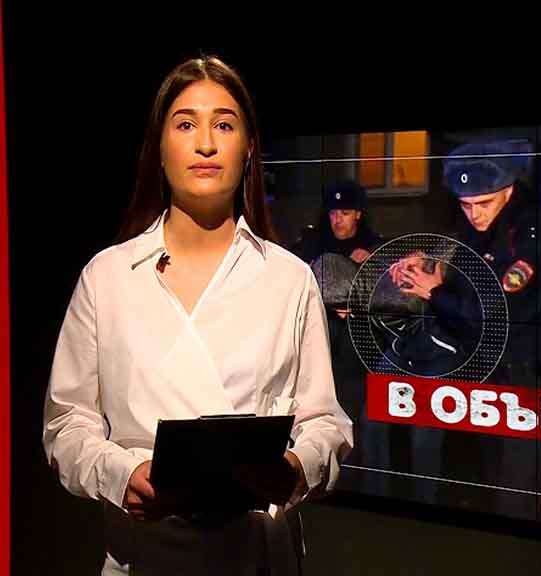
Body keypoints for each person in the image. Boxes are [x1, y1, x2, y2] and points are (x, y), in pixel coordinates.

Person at [42, 56, 352, 576]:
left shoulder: (289, 278)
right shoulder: (108, 277)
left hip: (257, 555)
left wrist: (297, 467)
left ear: (248, 148)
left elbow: (324, 421)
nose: (206, 143)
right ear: (160, 147)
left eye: (224, 125)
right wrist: (121, 474)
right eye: (185, 125)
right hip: (144, 555)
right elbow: (67, 423)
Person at [387, 139, 541, 517]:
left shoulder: (529, 234)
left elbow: (495, 311)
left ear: (508, 190)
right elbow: (464, 271)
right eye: (466, 205)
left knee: (518, 493)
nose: (475, 214)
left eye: (483, 203)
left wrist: (434, 291)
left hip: (528, 378)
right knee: (492, 482)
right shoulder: (480, 226)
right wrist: (426, 265)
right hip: (490, 372)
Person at [294, 180, 381, 266]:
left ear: (358, 214)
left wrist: (370, 260)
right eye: (333, 213)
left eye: (345, 213)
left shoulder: (371, 245)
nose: (338, 220)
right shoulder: (313, 243)